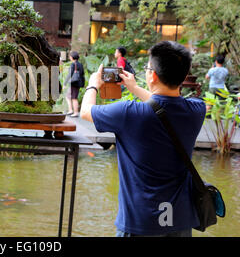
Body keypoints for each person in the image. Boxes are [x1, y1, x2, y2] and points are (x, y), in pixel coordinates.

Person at [80, 41, 206, 237]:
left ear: (153, 75)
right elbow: (163, 106)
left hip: (140, 223)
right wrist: (135, 88)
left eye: (148, 68)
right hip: (179, 222)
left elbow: (85, 111)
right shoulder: (196, 110)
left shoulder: (128, 113)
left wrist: (93, 85)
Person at [66, 51, 85, 117]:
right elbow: (82, 74)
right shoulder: (80, 64)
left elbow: (70, 74)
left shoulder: (73, 64)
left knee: (74, 98)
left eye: (70, 56)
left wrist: (65, 83)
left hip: (74, 83)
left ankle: (75, 112)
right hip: (78, 83)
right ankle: (71, 110)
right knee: (69, 96)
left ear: (72, 57)